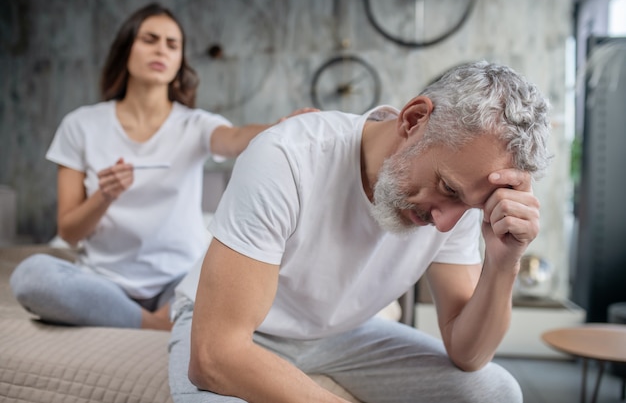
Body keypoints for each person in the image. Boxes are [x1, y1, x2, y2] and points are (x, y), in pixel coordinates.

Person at [168, 60, 552, 402]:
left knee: (497, 391)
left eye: (468, 207)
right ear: (414, 119)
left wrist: (504, 264)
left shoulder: (460, 201)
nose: (445, 222)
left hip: (343, 333)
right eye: (448, 189)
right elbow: (215, 355)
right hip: (251, 331)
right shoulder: (287, 156)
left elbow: (468, 356)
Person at [9, 2, 314, 331]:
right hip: (105, 283)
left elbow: (236, 137)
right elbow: (69, 232)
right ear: (126, 48)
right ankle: (156, 323)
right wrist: (104, 196)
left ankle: (154, 316)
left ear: (180, 60)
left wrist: (279, 126)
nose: (161, 50)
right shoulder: (80, 124)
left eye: (173, 44)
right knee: (31, 276)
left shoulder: (195, 125)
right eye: (149, 39)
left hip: (180, 282)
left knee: (250, 284)